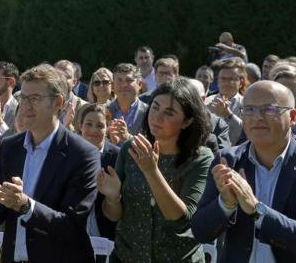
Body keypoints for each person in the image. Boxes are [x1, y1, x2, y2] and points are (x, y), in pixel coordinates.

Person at [0, 64, 101, 262]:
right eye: (23, 97)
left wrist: (26, 206)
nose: (25, 105)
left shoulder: (83, 154)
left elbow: (71, 226)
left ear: (58, 102)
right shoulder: (9, 147)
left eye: (34, 98)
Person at [191, 81, 296, 263]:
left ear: (292, 117)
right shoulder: (228, 161)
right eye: (249, 110)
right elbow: (200, 232)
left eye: (269, 109)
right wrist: (225, 204)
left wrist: (256, 210)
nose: (257, 117)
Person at [98, 77, 214, 262]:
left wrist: (151, 171)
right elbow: (113, 216)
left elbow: (181, 220)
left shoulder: (200, 158)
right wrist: (112, 199)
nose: (157, 117)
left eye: (169, 112)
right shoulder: (130, 148)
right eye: (155, 107)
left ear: (187, 121)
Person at [76, 104, 119, 245]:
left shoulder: (117, 157)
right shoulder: (68, 153)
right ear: (80, 125)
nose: (93, 130)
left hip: (105, 234)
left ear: (107, 129)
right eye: (89, 124)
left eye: (100, 125)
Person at [206, 58, 247, 145]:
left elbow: (247, 132)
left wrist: (229, 116)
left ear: (240, 82)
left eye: (232, 79)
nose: (227, 83)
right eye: (223, 79)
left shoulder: (247, 104)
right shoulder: (206, 102)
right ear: (217, 81)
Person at [106, 63, 149, 144]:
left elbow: (152, 143)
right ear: (113, 86)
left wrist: (127, 138)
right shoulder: (103, 111)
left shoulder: (149, 112)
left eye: (129, 80)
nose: (124, 85)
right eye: (119, 80)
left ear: (139, 84)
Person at [54, 59, 89, 130]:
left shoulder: (85, 108)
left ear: (74, 82)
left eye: (67, 77)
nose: (62, 79)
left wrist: (68, 126)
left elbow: (86, 140)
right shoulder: (45, 105)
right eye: (58, 76)